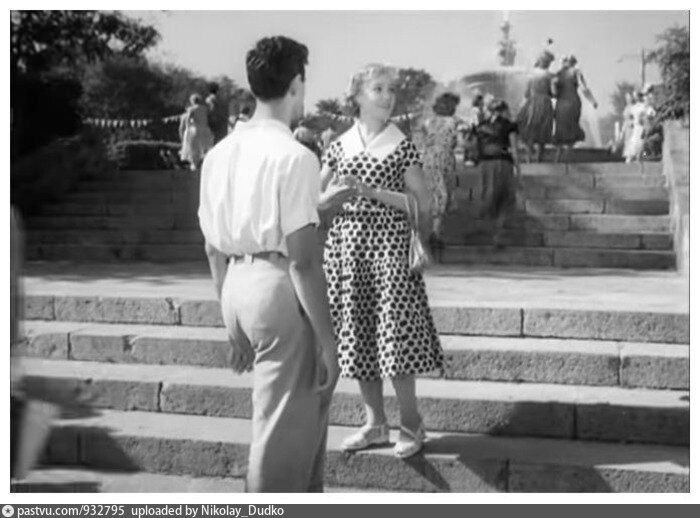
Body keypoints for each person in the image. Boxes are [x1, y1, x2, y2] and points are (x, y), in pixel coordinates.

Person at [198, 35, 339, 492]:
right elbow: (303, 262)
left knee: (297, 429)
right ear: (296, 83)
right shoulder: (295, 156)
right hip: (277, 289)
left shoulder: (217, 155)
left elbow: (212, 249)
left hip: (235, 285)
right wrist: (329, 342)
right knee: (281, 434)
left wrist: (229, 321)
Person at [320, 63, 444, 459]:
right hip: (347, 250)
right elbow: (314, 199)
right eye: (378, 89)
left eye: (391, 89)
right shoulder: (339, 145)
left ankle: (411, 421)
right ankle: (374, 423)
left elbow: (423, 204)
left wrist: (372, 192)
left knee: (395, 336)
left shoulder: (400, 144)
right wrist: (329, 199)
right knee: (358, 336)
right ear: (357, 96)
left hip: (389, 247)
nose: (388, 96)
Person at [474, 99, 522, 247]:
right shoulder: (509, 125)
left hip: (484, 165)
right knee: (505, 197)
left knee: (487, 195)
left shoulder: (480, 126)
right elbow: (514, 150)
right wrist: (519, 171)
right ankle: (498, 234)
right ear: (503, 111)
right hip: (502, 163)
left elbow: (475, 148)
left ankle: (486, 231)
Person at [414, 92, 460, 237]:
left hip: (428, 158)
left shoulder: (428, 122)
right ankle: (435, 232)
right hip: (445, 159)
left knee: (433, 192)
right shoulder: (452, 122)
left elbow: (421, 140)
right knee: (442, 193)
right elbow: (453, 142)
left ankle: (426, 230)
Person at [552, 55, 598, 163]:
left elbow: (554, 93)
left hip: (561, 104)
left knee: (561, 129)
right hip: (572, 103)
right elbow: (584, 88)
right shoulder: (576, 72)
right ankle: (567, 157)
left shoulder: (558, 74)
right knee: (571, 128)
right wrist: (592, 100)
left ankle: (558, 158)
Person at [516, 49, 555, 163]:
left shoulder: (531, 74)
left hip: (532, 103)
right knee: (543, 130)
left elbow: (526, 93)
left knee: (529, 129)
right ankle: (539, 158)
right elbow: (553, 93)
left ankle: (528, 158)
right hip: (545, 103)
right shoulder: (550, 76)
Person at [179, 93, 214, 171]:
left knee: (194, 151)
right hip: (205, 130)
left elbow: (188, 120)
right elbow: (210, 115)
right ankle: (205, 167)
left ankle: (194, 167)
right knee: (206, 150)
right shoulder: (205, 108)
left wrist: (187, 129)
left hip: (195, 130)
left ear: (192, 101)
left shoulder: (192, 109)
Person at [624, 90, 656, 163]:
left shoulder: (645, 106)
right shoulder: (634, 107)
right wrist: (631, 122)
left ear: (641, 97)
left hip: (643, 127)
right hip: (636, 127)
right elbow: (630, 116)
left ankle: (640, 157)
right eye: (635, 97)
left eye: (638, 96)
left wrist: (647, 118)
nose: (636, 98)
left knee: (642, 142)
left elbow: (653, 114)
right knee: (634, 141)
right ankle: (630, 157)